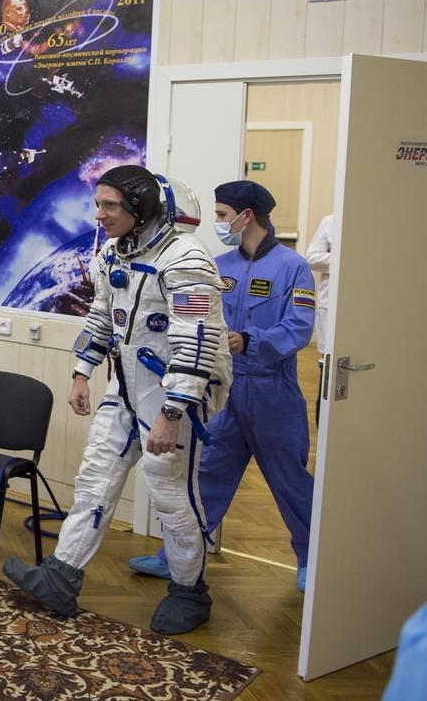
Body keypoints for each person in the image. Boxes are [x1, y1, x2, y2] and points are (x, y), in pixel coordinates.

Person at [3, 165, 232, 636]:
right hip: (126, 388)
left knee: (171, 492)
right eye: (98, 204)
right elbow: (102, 316)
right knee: (94, 479)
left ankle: (190, 591)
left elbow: (198, 342)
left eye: (110, 206)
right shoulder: (113, 255)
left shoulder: (186, 261)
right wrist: (81, 373)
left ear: (140, 207)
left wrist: (173, 413)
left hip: (172, 395)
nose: (100, 214)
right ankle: (60, 576)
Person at [130, 180, 316, 592]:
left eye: (220, 215)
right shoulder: (218, 265)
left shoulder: (292, 266)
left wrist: (251, 340)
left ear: (246, 216)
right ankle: (176, 558)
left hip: (272, 391)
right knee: (208, 476)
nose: (217, 222)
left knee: (290, 481)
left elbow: (300, 328)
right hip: (225, 389)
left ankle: (313, 560)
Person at [304, 214, 334, 355]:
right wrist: (345, 257)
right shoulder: (331, 221)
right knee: (329, 356)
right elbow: (312, 258)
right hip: (331, 301)